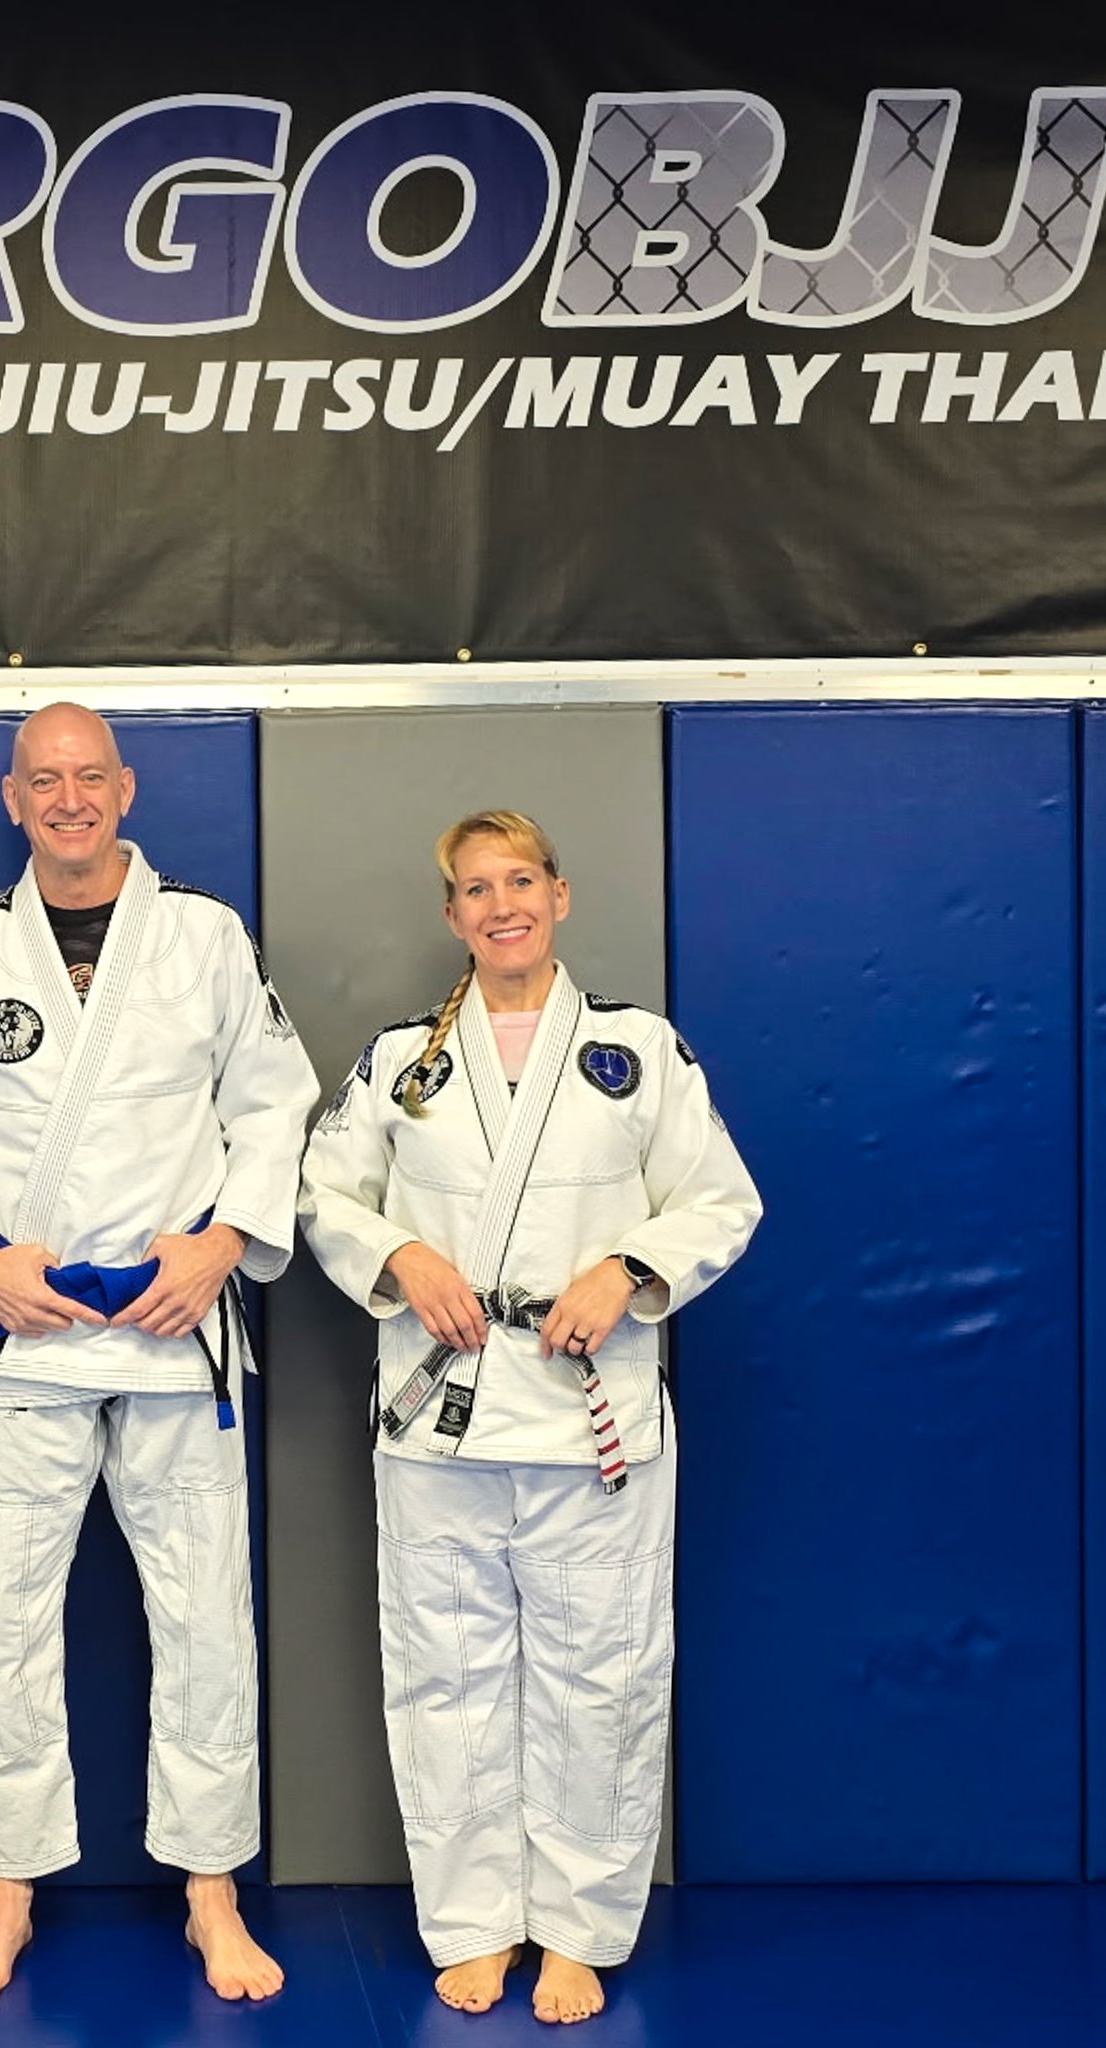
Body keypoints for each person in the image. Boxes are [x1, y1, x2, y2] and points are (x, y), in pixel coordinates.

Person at [0, 703, 319, 2003]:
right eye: (42, 779)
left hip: (174, 1329)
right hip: (27, 1334)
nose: (67, 797)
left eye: (87, 776)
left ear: (124, 788)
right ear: (11, 799)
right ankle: (6, 1891)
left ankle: (210, 1890)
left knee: (204, 1615)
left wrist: (223, 1243)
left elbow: (273, 1104)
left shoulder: (204, 936)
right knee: (3, 1618)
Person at [297, 810, 760, 2025]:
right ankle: (474, 1921)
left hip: (588, 1408)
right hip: (440, 1407)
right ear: (450, 914)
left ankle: (577, 1927)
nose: (499, 904)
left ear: (558, 895)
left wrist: (628, 1267)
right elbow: (322, 1191)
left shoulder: (635, 1049)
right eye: (474, 887)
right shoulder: (402, 1059)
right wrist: (401, 1252)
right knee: (441, 1671)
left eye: (519, 881)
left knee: (598, 1673)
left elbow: (720, 1199)